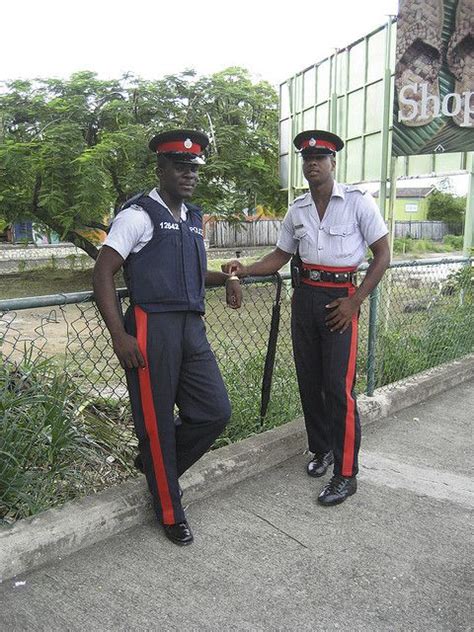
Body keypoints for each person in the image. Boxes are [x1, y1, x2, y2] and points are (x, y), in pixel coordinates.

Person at [222, 130, 390, 506]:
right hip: (305, 298)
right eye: (307, 158)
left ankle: (347, 474)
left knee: (338, 388)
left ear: (333, 163)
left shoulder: (358, 202)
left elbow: (382, 255)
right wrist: (245, 269)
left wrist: (356, 301)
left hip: (340, 301)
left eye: (320, 157)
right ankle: (322, 448)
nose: (312, 163)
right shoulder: (297, 209)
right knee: (310, 381)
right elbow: (279, 257)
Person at [93, 129, 241, 545]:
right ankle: (169, 510)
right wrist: (120, 336)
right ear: (160, 169)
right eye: (180, 167)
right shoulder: (138, 215)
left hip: (191, 326)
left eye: (194, 168)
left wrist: (226, 277)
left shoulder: (193, 219)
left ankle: (153, 463)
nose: (189, 174)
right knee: (156, 422)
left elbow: (193, 274)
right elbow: (102, 273)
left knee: (214, 411)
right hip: (150, 325)